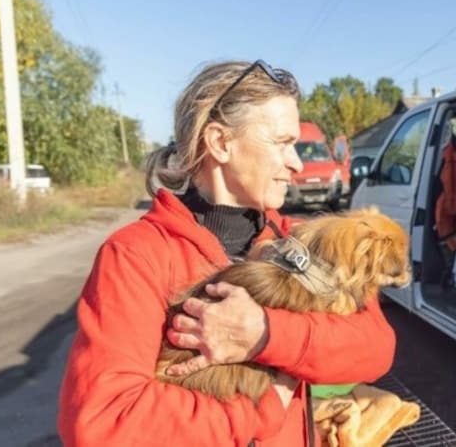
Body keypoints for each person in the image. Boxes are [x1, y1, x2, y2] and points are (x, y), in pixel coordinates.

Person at [57, 60, 396, 446]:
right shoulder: (137, 255)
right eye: (282, 143)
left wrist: (265, 334)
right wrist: (260, 408)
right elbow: (103, 425)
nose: (297, 163)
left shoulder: (297, 240)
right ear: (220, 143)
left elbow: (376, 347)